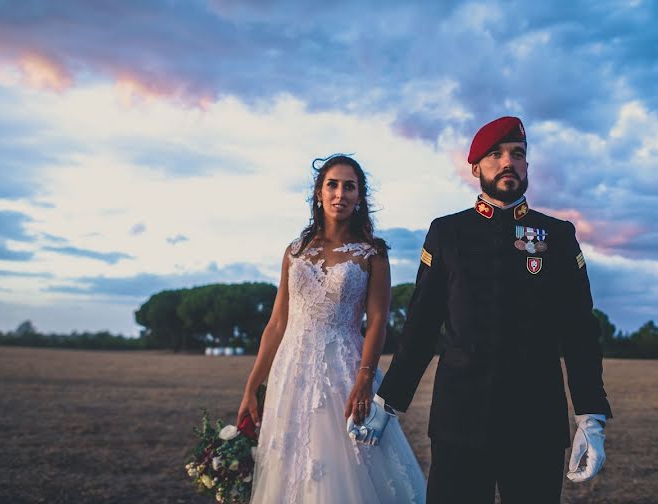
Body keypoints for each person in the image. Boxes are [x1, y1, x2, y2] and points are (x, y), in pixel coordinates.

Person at [348, 117, 612, 503]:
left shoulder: (557, 236)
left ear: (526, 165)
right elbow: (421, 327)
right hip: (460, 422)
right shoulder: (447, 233)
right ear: (475, 168)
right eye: (496, 154)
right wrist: (388, 403)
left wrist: (591, 416)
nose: (509, 162)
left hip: (535, 423)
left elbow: (579, 332)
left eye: (518, 154)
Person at [237, 154, 426, 503]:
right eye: (333, 184)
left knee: (345, 470)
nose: (340, 194)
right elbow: (278, 323)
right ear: (319, 192)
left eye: (349, 186)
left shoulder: (372, 254)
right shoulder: (294, 251)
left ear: (359, 197)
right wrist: (252, 387)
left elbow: (378, 321)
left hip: (345, 374)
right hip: (290, 374)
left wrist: (365, 378)